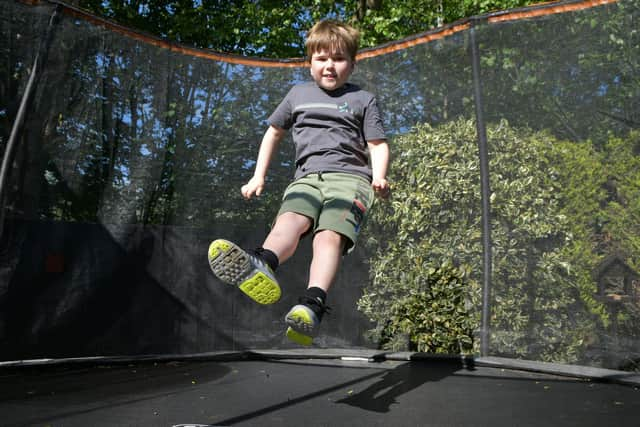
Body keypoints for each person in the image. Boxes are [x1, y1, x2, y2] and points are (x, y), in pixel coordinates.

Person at [207, 19, 390, 346]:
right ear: (310, 63)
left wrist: (379, 176)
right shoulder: (297, 95)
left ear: (352, 63)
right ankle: (262, 262)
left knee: (329, 237)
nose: (329, 66)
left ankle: (313, 303)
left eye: (338, 59)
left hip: (351, 180)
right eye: (321, 59)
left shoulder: (363, 99)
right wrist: (258, 175)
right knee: (290, 220)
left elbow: (377, 143)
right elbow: (273, 133)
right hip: (306, 178)